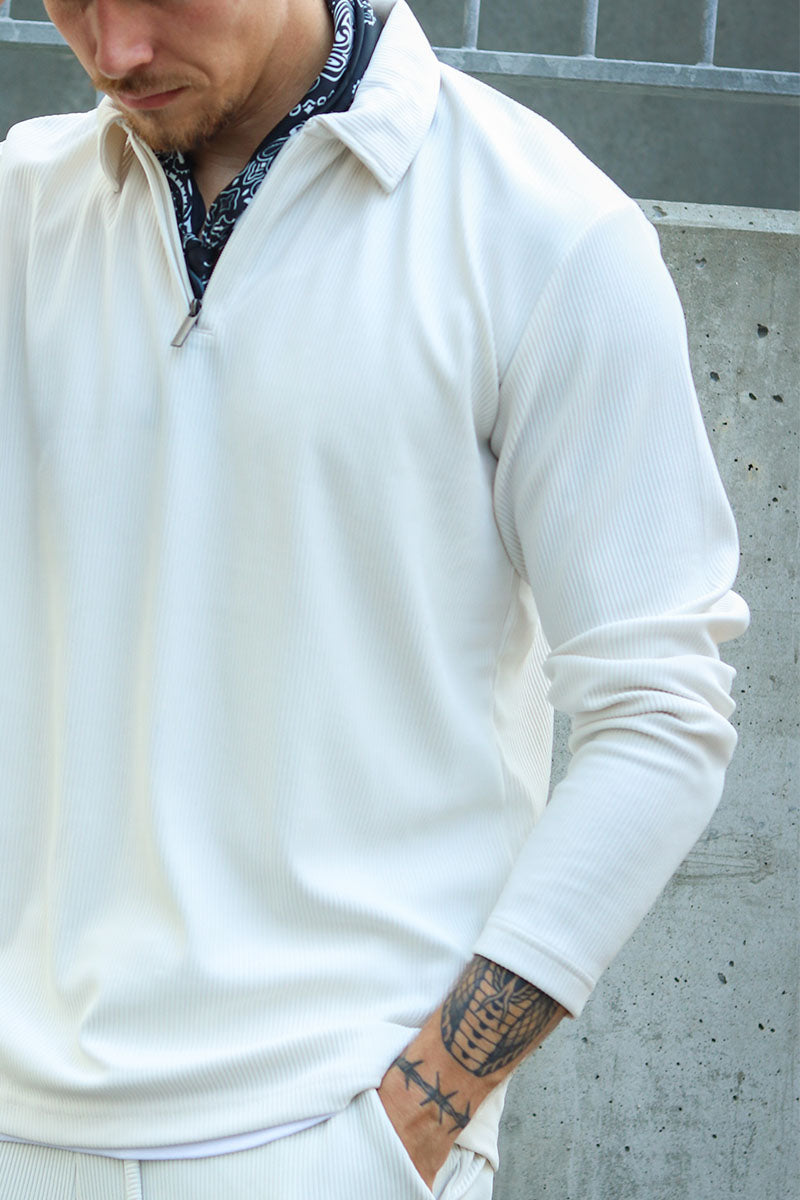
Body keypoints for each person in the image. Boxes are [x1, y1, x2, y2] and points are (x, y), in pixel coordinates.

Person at [0, 0, 749, 1197]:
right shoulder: (22, 211)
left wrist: (416, 1121)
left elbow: (660, 711)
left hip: (328, 1144)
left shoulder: (540, 229)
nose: (116, 48)